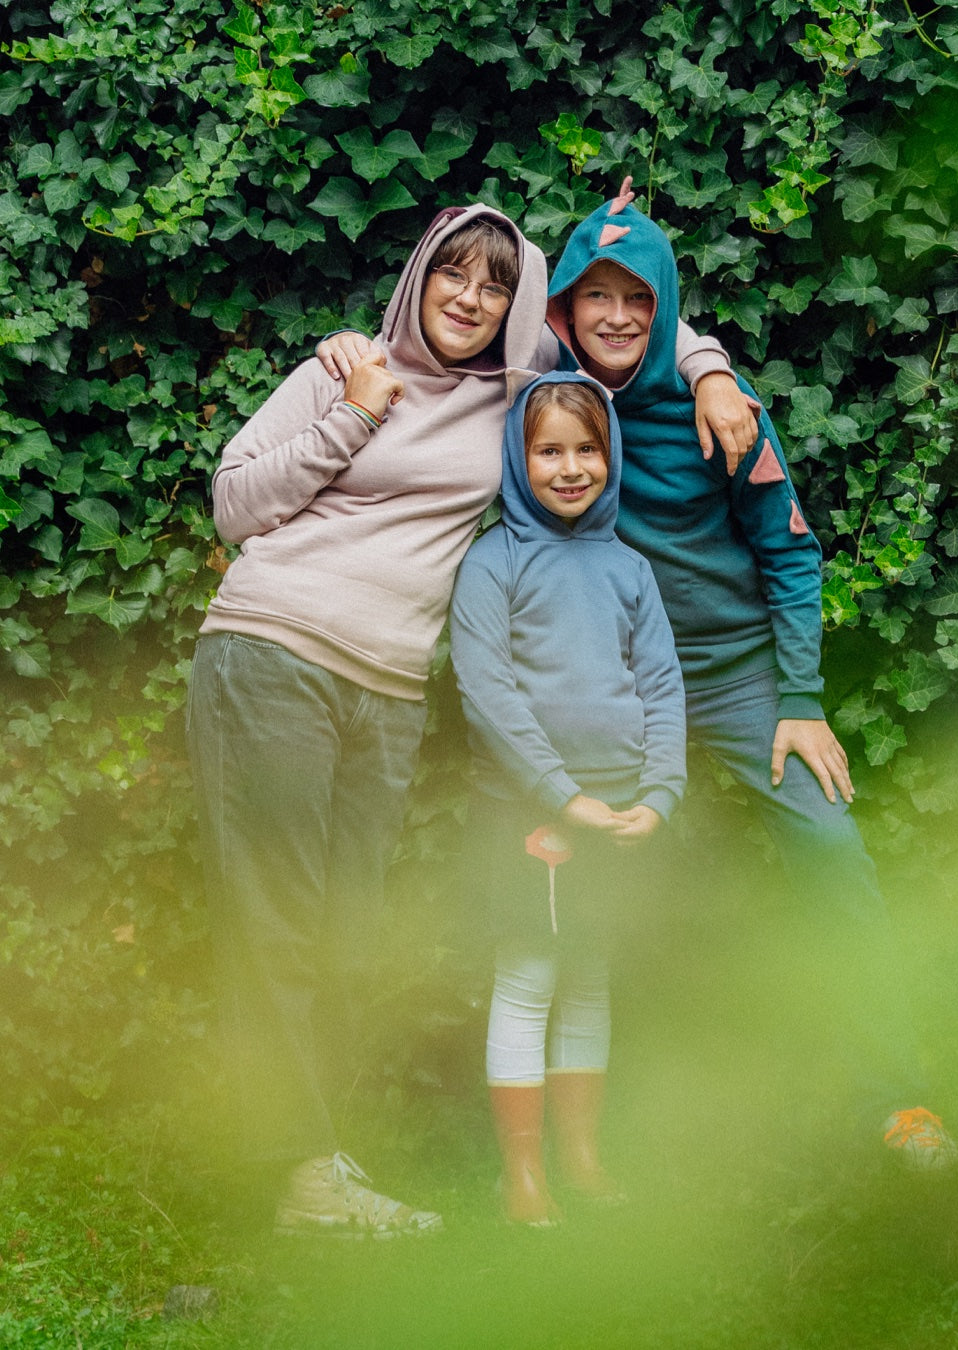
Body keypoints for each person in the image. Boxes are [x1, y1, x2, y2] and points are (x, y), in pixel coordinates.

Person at [187, 201, 753, 1240]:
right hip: (271, 653)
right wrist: (354, 413)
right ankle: (297, 1175)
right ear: (418, 277)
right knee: (275, 918)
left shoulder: (516, 384)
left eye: (496, 284)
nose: (472, 297)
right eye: (454, 273)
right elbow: (233, 501)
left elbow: (625, 320)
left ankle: (309, 1159)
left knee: (344, 924)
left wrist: (711, 367)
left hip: (389, 691)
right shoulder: (339, 372)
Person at [541, 179, 958, 1166]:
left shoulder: (723, 415)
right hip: (620, 696)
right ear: (562, 310)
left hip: (738, 681)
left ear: (667, 304)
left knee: (832, 852)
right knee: (572, 876)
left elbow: (791, 553)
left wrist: (803, 702)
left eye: (637, 296)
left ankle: (900, 1103)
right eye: (594, 295)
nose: (617, 315)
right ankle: (590, 1136)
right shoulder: (545, 412)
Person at [449, 372, 686, 1224]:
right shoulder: (493, 561)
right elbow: (489, 693)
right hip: (529, 814)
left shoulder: (629, 568)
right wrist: (563, 798)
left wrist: (657, 795)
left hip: (621, 811)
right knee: (530, 975)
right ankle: (522, 1176)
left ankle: (582, 1156)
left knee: (591, 976)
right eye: (549, 450)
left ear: (610, 456)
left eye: (588, 449)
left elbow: (662, 686)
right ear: (519, 457)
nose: (571, 468)